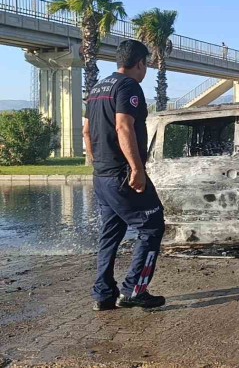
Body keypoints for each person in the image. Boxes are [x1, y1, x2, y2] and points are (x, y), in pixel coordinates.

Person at [84, 39, 166, 310]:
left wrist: (97, 163)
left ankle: (103, 294)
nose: (146, 72)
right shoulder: (128, 86)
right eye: (146, 66)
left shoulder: (97, 88)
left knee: (110, 233)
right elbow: (123, 126)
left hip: (102, 176)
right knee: (152, 225)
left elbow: (86, 131)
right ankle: (134, 290)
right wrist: (137, 169)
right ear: (140, 63)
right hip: (122, 174)